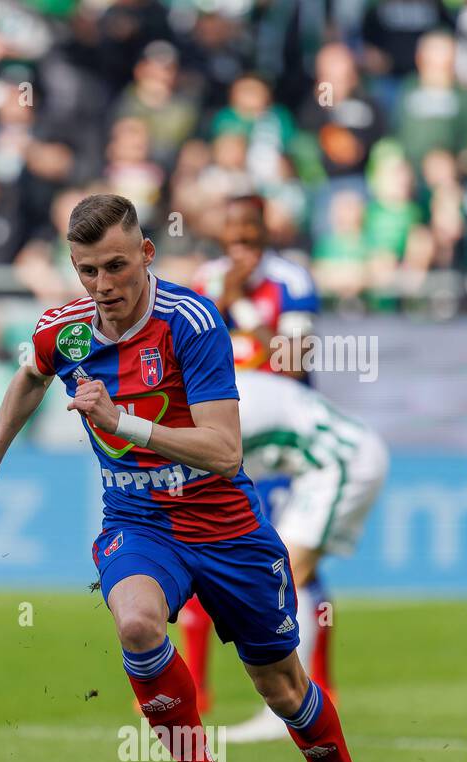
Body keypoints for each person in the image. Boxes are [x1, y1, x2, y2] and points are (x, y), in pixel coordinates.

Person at [0, 193, 391, 762]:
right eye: (88, 269)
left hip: (227, 528)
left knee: (283, 690)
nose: (104, 285)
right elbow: (30, 376)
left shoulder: (191, 322)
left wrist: (121, 420)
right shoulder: (64, 330)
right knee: (134, 622)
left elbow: (224, 450)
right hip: (140, 520)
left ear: (146, 255)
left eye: (118, 266)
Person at [185, 193, 333, 717]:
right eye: (233, 230)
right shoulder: (203, 283)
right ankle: (196, 693)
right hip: (226, 441)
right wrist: (221, 301)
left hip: (284, 442)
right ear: (221, 235)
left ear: (265, 230)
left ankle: (320, 688)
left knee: (295, 560)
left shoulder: (291, 282)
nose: (242, 240)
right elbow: (189, 361)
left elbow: (293, 362)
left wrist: (241, 308)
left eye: (250, 228)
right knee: (205, 553)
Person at [225, 372, 390, 741]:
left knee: (280, 581)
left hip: (341, 464)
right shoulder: (227, 385)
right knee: (283, 579)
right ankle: (296, 704)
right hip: (333, 462)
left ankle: (288, 709)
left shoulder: (228, 411)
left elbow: (212, 469)